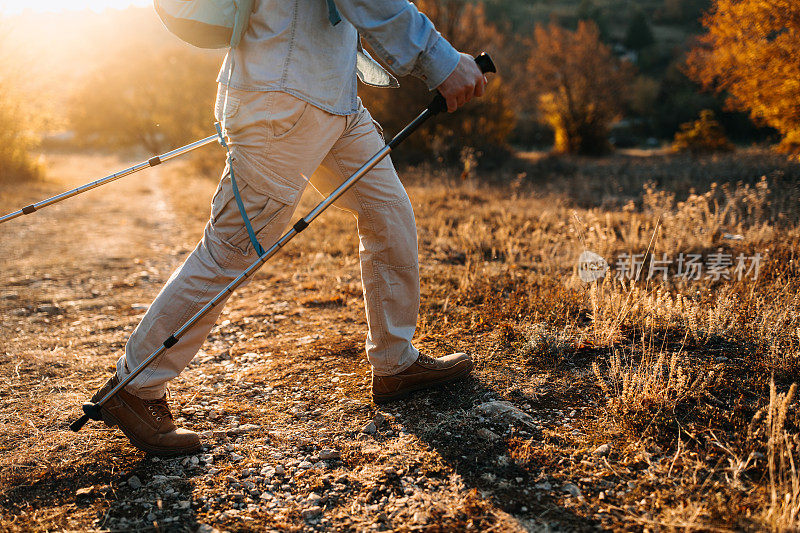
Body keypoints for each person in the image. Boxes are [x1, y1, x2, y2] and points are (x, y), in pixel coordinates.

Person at [91, 0, 487, 456]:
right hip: (283, 101)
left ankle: (395, 362)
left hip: (336, 101)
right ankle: (136, 385)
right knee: (233, 248)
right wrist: (438, 58)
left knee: (388, 213)